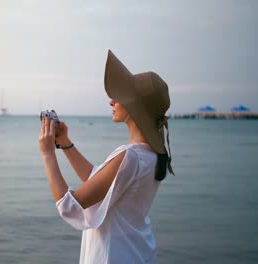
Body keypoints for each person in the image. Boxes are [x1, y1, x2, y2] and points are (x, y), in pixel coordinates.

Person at [38, 50, 175, 264]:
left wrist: (47, 155)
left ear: (134, 105)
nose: (112, 101)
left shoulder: (130, 156)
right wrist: (64, 142)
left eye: (118, 96)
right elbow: (97, 178)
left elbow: (69, 206)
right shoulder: (153, 155)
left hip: (114, 256)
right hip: (138, 252)